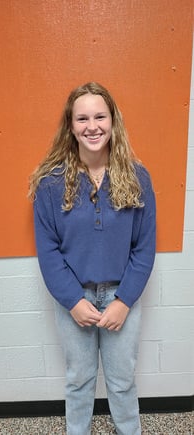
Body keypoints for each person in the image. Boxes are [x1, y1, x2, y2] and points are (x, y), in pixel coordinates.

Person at [29, 82, 156, 435]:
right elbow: (49, 251)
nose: (92, 126)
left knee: (121, 382)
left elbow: (143, 248)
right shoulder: (50, 184)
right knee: (79, 381)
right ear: (70, 126)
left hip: (122, 298)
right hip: (75, 300)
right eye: (82, 118)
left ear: (113, 121)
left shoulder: (137, 178)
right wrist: (72, 301)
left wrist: (124, 301)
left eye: (100, 116)